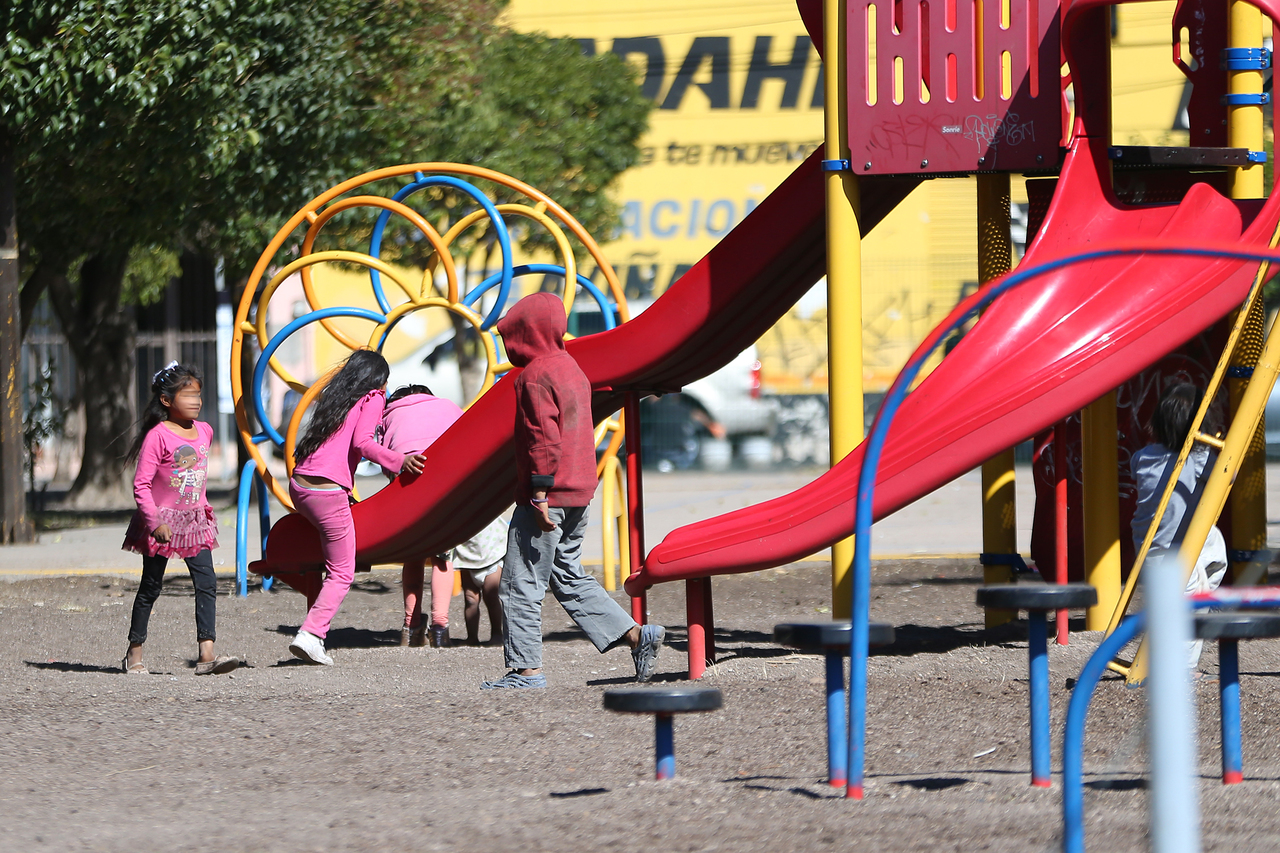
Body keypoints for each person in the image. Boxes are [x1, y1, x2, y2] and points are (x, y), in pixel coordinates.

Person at [483, 292, 664, 689]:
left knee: (520, 582)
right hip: (581, 489)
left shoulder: (534, 376)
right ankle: (636, 635)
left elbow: (542, 440)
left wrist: (539, 494)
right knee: (567, 574)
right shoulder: (572, 369)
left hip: (549, 494)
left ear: (524, 332)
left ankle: (525, 671)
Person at [288, 350, 426, 665]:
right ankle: (311, 634)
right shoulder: (373, 397)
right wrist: (400, 460)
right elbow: (363, 443)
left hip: (301, 486)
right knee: (342, 571)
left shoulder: (338, 398)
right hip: (327, 492)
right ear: (379, 380)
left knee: (331, 552)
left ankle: (313, 630)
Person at [121, 362, 238, 676]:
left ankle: (207, 654)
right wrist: (155, 522)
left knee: (207, 582)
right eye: (187, 396)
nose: (196, 401)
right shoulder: (157, 436)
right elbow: (141, 485)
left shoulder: (206, 431)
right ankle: (134, 653)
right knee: (151, 587)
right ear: (166, 400)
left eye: (198, 394)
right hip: (161, 523)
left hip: (195, 521)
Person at [379, 383, 507, 648]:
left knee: (413, 556)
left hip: (406, 489)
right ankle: (439, 628)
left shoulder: (387, 414)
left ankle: (410, 627)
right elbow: (470, 442)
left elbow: (384, 461)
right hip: (446, 487)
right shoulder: (447, 405)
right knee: (442, 556)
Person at [1130, 380, 1228, 668]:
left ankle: (1202, 585)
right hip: (1174, 553)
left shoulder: (1143, 456)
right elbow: (1229, 475)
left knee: (1213, 542)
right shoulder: (1199, 458)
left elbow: (1138, 465)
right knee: (1189, 610)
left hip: (1151, 547)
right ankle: (1181, 671)